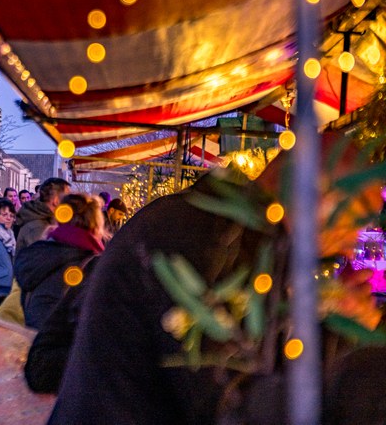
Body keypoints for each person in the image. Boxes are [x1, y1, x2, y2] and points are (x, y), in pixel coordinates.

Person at [48, 133, 386, 424]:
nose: (350, 245)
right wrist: (359, 365)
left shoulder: (231, 236)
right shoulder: (211, 242)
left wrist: (333, 322)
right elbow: (230, 401)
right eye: (355, 222)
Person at [15, 193, 104, 330]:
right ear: (95, 223)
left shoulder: (40, 253)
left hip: (36, 337)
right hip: (65, 340)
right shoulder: (91, 264)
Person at [16, 177, 71, 254]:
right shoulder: (37, 228)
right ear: (56, 200)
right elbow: (43, 258)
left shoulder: (47, 220)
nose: (70, 202)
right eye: (67, 197)